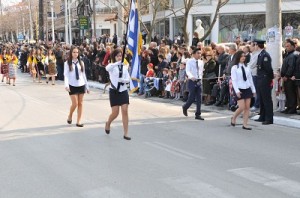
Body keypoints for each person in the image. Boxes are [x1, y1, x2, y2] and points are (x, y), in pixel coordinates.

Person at [105, 49, 131, 140]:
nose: (120, 57)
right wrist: (118, 63)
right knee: (115, 113)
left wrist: (122, 80)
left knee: (125, 110)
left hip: (123, 90)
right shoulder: (112, 66)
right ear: (114, 57)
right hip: (114, 91)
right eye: (118, 56)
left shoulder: (124, 67)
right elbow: (107, 68)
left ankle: (126, 133)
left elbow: (128, 79)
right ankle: (108, 123)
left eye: (121, 56)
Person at [64, 46, 90, 127]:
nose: (75, 54)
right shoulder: (67, 63)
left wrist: (87, 86)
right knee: (75, 104)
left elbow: (83, 75)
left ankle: (78, 121)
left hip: (81, 84)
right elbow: (66, 75)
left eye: (77, 52)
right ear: (71, 53)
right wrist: (66, 85)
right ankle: (70, 115)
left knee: (80, 103)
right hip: (72, 85)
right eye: (74, 52)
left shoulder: (81, 62)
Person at [230, 50, 256, 130]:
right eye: (241, 56)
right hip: (239, 88)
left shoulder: (247, 67)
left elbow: (250, 79)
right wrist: (237, 91)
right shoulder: (234, 67)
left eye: (244, 56)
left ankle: (245, 124)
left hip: (247, 88)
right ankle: (233, 117)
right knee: (241, 107)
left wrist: (253, 90)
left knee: (247, 107)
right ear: (238, 57)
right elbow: (234, 80)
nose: (243, 58)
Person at [254, 40, 274, 125]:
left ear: (257, 45)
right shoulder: (260, 54)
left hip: (265, 80)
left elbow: (268, 69)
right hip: (260, 79)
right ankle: (262, 116)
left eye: (254, 45)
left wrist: (270, 78)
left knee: (266, 100)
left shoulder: (265, 55)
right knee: (262, 99)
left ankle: (269, 118)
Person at [182, 48, 204, 120]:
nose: (199, 55)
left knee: (199, 98)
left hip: (199, 81)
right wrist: (191, 77)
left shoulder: (201, 62)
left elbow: (201, 72)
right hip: (192, 81)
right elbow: (188, 71)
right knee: (191, 98)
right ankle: (185, 107)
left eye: (200, 53)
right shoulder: (189, 61)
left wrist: (200, 78)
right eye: (198, 53)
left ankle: (198, 114)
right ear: (194, 54)